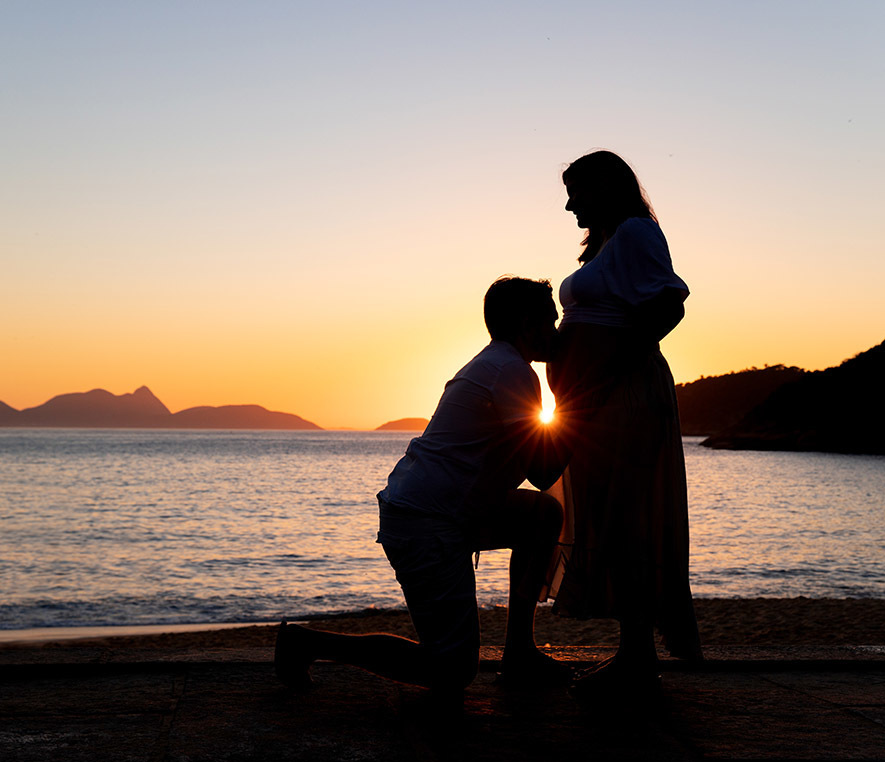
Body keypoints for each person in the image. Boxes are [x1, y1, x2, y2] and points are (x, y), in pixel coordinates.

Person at [276, 277, 570, 697]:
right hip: (426, 523)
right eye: (551, 321)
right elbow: (544, 472)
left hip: (440, 510)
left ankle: (519, 651)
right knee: (450, 669)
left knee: (541, 515)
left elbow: (531, 472)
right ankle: (307, 644)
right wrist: (585, 409)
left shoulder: (498, 365)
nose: (556, 333)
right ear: (527, 323)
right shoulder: (511, 372)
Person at [542, 150, 703, 698]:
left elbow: (669, 306)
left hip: (623, 395)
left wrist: (608, 369)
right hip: (594, 401)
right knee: (610, 519)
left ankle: (638, 660)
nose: (568, 205)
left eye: (576, 193)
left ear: (605, 188)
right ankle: (633, 654)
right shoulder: (607, 244)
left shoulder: (635, 232)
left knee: (628, 517)